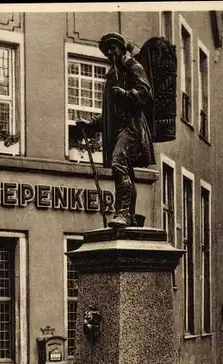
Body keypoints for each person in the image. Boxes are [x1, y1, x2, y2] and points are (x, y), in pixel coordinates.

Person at [76, 32, 156, 227]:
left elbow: (146, 94)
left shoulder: (133, 67)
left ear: (121, 49)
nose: (111, 52)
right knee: (123, 170)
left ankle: (124, 214)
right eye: (107, 50)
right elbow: (109, 112)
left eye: (114, 48)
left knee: (118, 164)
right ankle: (129, 215)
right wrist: (91, 123)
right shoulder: (112, 75)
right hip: (117, 130)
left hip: (133, 128)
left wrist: (127, 94)